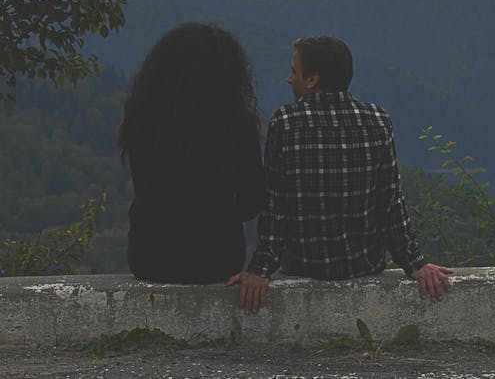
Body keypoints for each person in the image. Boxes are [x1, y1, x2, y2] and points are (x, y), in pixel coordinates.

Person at [228, 35, 452, 313]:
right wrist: (415, 263)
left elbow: (276, 207)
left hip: (304, 265)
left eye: (293, 71)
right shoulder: (378, 121)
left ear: (312, 80)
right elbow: (390, 203)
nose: (289, 79)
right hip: (365, 266)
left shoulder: (285, 123)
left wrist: (259, 270)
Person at [118, 22, 265, 283]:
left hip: (150, 255)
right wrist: (218, 211)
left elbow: (142, 186)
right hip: (216, 257)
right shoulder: (238, 125)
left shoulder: (143, 120)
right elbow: (252, 201)